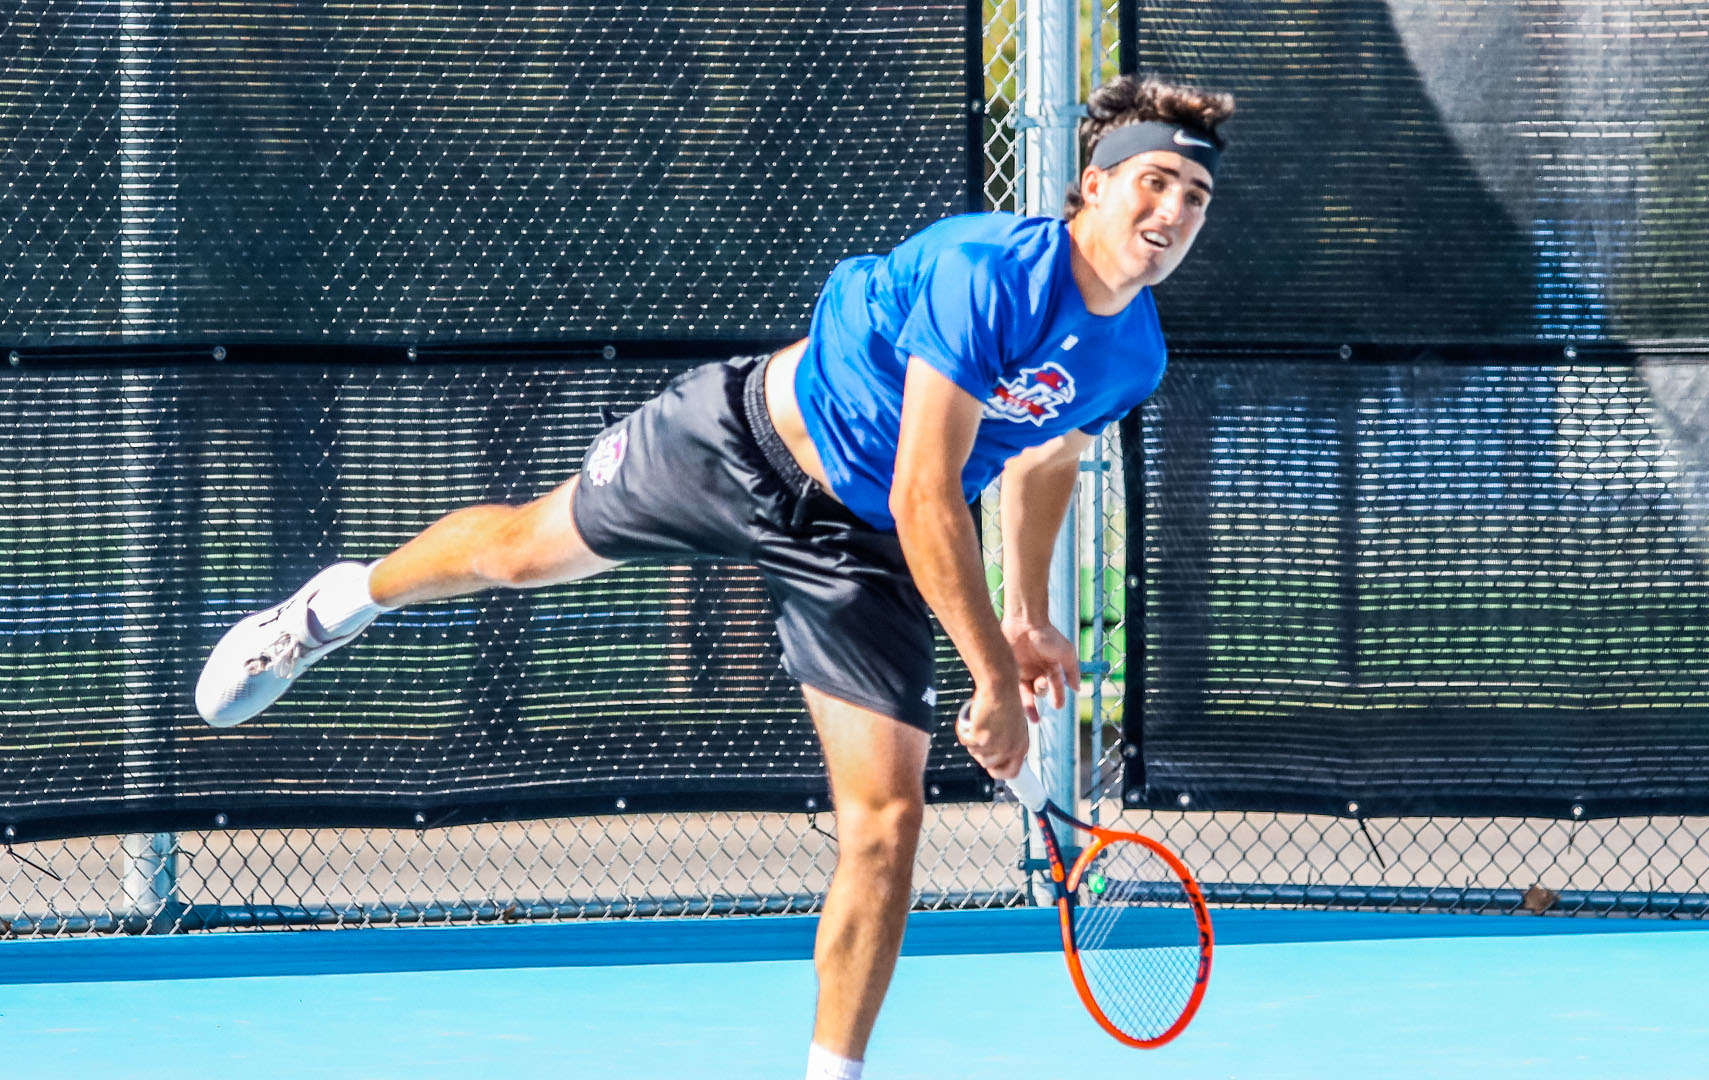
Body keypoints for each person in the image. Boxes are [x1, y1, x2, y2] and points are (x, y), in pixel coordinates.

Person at [195, 73, 1232, 1080]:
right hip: (739, 442)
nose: (1175, 209)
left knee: (888, 820)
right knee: (520, 552)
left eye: (1195, 197)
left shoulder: (1133, 354)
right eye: (1154, 181)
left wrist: (1027, 613)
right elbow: (929, 492)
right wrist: (993, 683)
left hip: (853, 550)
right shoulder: (988, 269)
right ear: (1093, 185)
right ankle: (332, 607)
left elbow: (1044, 453)